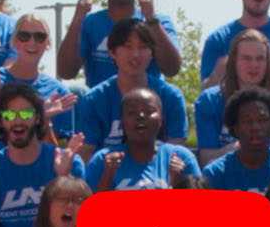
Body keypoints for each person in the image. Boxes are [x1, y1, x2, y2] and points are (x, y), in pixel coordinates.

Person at [0, 83, 84, 227]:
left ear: (38, 118)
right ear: (0, 121)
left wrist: (63, 177)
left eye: (25, 114)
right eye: (9, 115)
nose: (17, 121)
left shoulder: (65, 161)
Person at [60, 0, 182, 87]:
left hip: (148, 105)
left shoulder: (158, 22)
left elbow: (172, 69)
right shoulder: (89, 23)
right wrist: (77, 20)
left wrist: (151, 19)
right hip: (103, 106)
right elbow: (66, 72)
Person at [72, 18, 190, 155]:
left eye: (143, 47)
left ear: (152, 52)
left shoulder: (171, 96)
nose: (135, 55)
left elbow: (177, 150)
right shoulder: (93, 100)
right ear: (112, 52)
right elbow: (86, 154)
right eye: (128, 47)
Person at [197, 29, 270, 161]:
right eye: (246, 58)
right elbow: (206, 158)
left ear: (269, 64)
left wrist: (258, 150)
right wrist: (241, 148)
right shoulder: (209, 101)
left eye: (260, 59)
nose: (254, 65)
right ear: (233, 61)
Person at [0, 12, 78, 147]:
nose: (32, 42)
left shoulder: (59, 93)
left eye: (39, 37)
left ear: (48, 43)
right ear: (14, 41)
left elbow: (58, 155)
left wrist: (44, 118)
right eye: (24, 36)